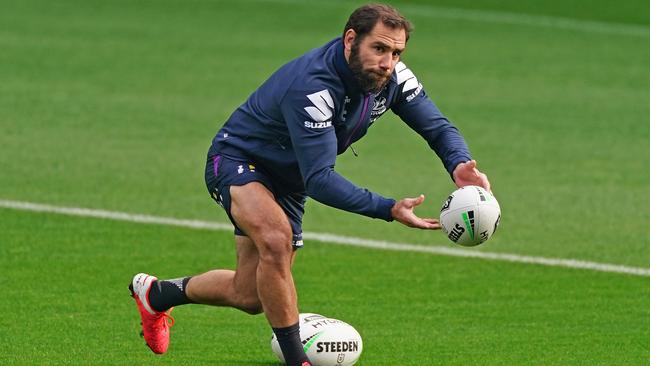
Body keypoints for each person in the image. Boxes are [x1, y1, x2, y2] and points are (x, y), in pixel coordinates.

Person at [129, 3, 490, 365]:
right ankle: (296, 360)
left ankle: (156, 295)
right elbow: (320, 180)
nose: (387, 62)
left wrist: (459, 164)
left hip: (291, 178)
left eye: (396, 52)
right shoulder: (314, 86)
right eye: (378, 49)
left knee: (251, 296)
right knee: (275, 238)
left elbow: (437, 127)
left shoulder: (392, 77)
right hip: (239, 160)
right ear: (351, 39)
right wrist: (388, 208)